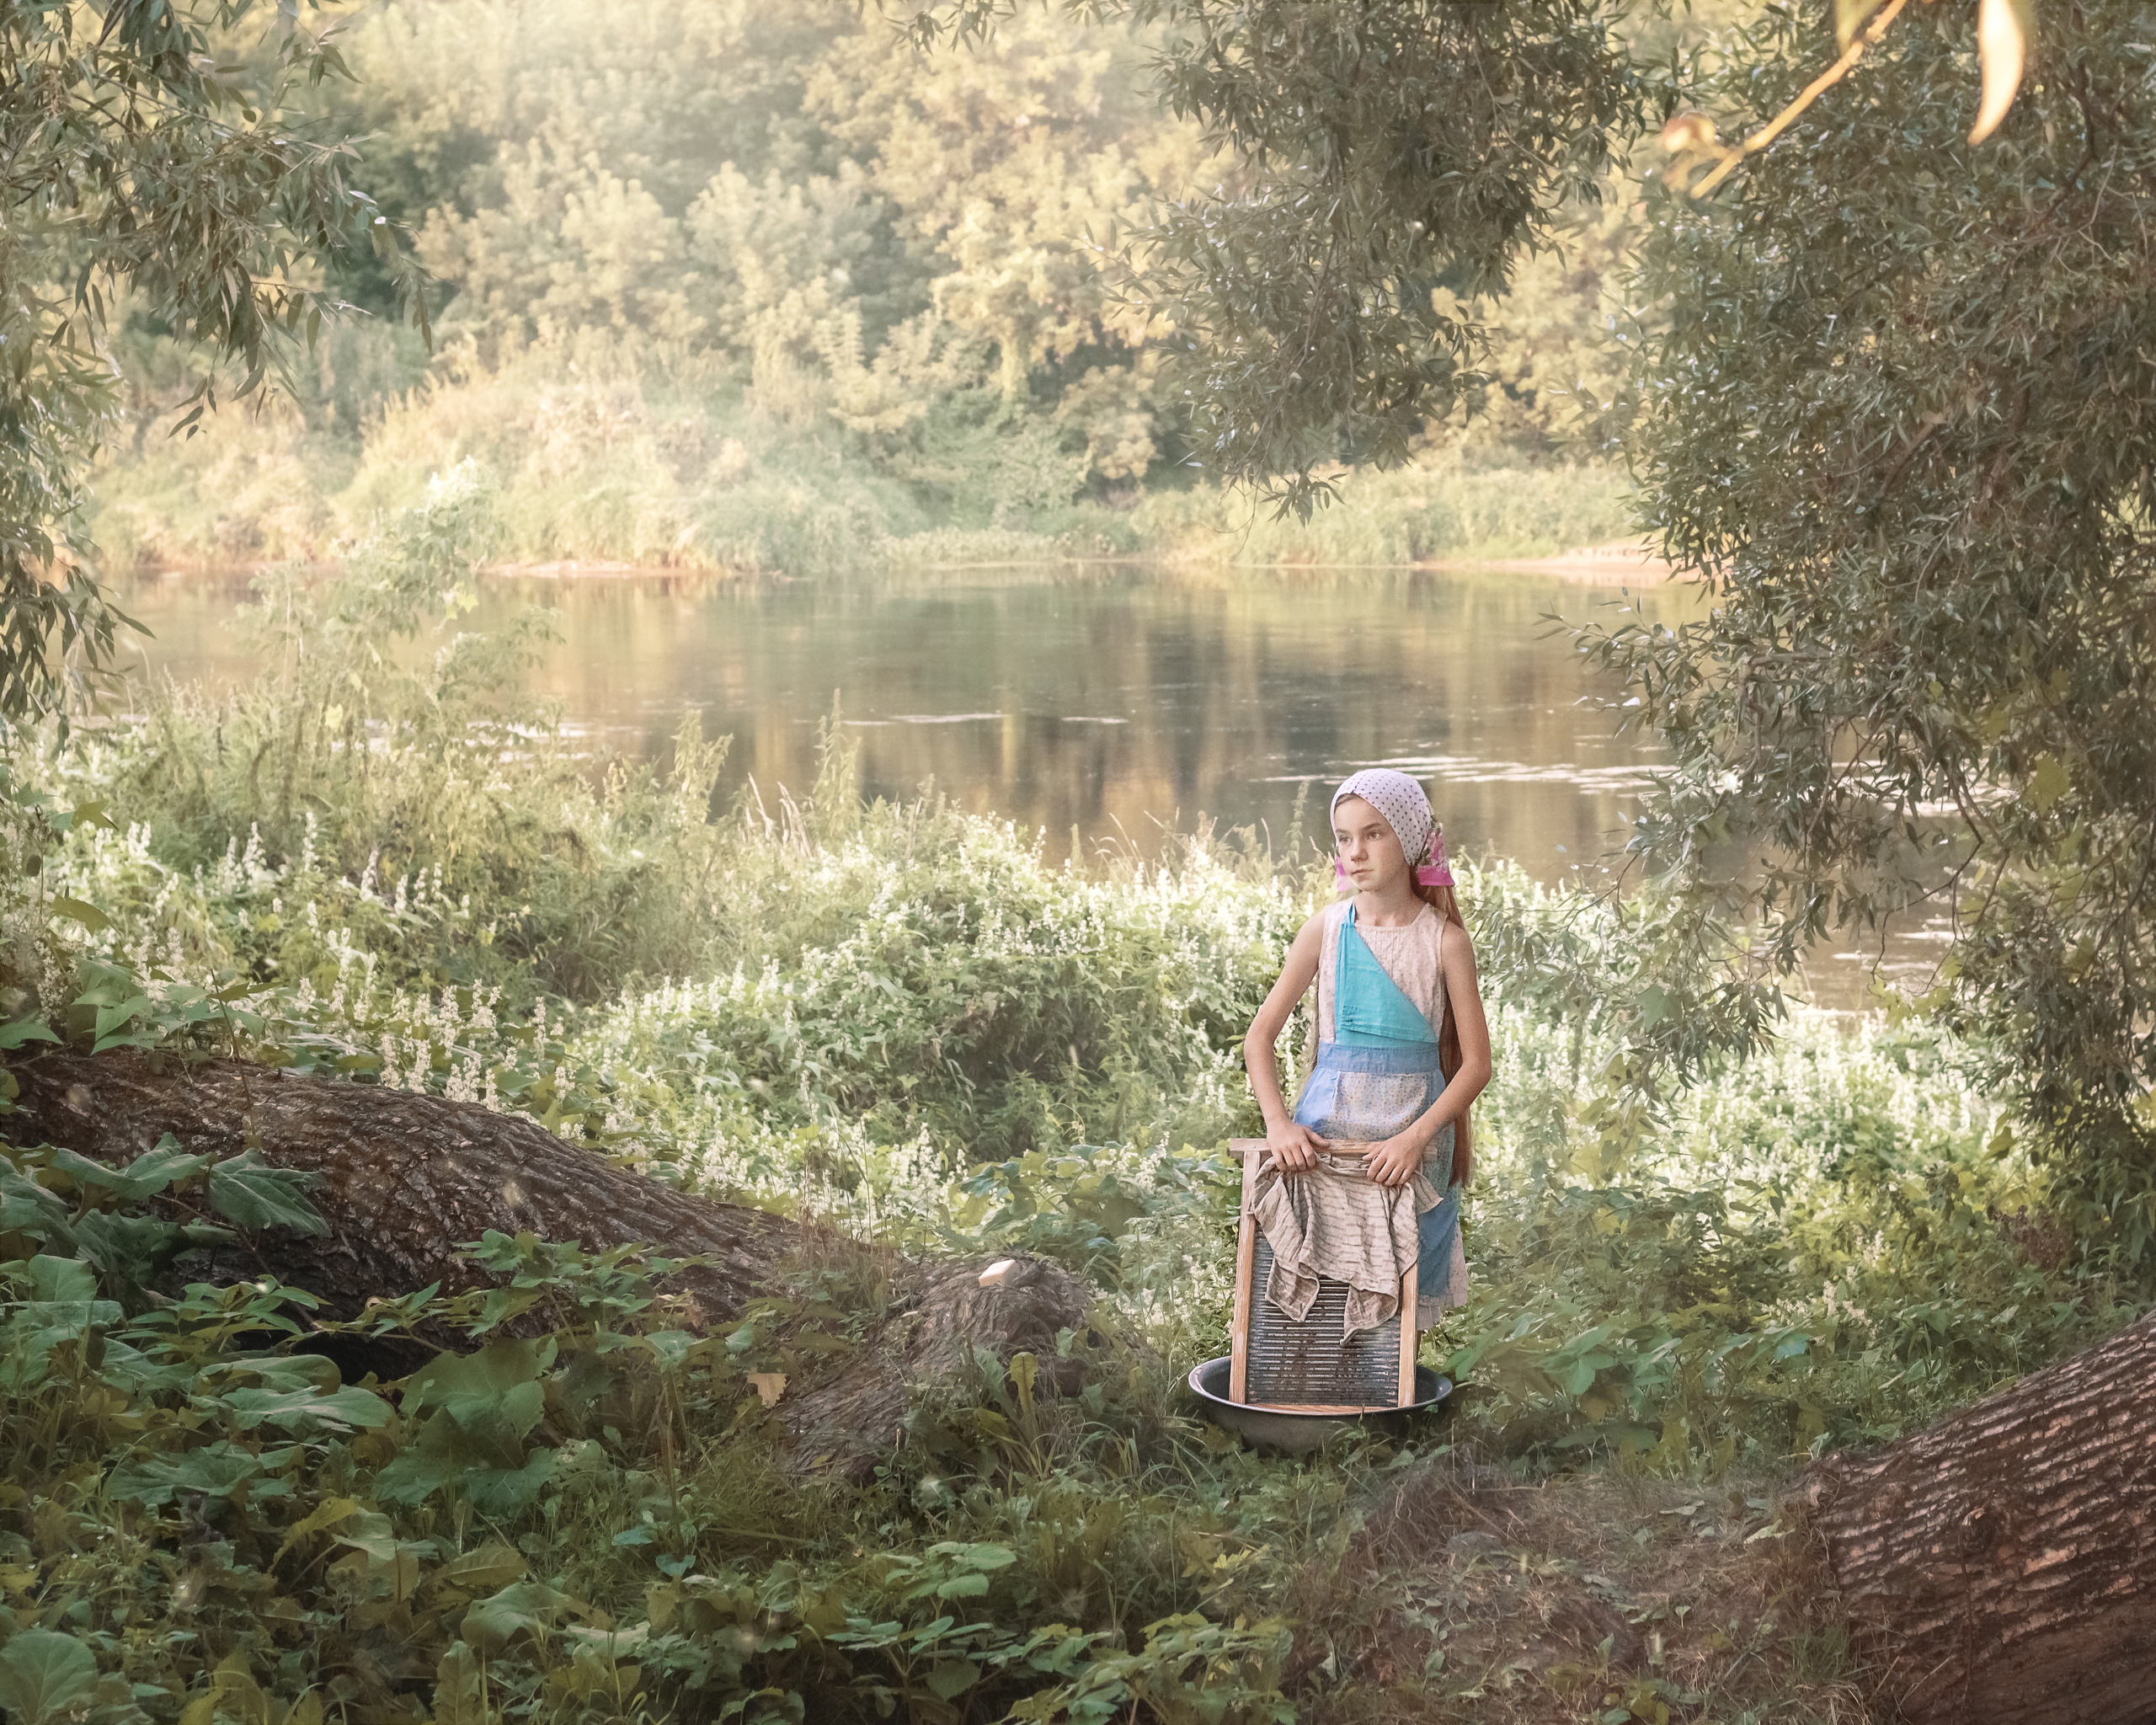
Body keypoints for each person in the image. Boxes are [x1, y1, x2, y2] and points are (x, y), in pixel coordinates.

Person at [1242, 768, 1492, 1327]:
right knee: (1313, 1315)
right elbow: (1259, 1038)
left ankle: (1389, 1388)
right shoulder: (1325, 930)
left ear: (1410, 838)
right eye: (1344, 838)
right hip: (1323, 1151)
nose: (1355, 852)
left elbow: (1477, 1066)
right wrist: (1279, 1125)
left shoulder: (1445, 941)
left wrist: (1413, 1139)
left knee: (1394, 1326)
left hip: (1408, 1156)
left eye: (1373, 834)